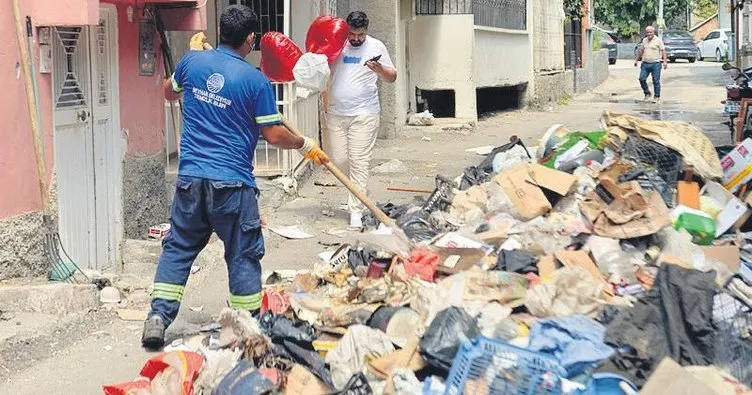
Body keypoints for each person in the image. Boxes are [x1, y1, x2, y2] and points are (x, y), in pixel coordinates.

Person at [141, 5, 329, 349]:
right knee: (242, 253)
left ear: (218, 33)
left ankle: (157, 317)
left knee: (178, 249)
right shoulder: (254, 80)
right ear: (251, 39)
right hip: (233, 185)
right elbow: (272, 135)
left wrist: (193, 65)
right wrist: (303, 144)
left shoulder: (192, 62)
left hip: (191, 180)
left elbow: (169, 92)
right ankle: (247, 328)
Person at [325, 11, 397, 229]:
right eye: (353, 34)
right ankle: (360, 191)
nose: (356, 38)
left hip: (364, 113)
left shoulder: (376, 47)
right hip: (337, 113)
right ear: (347, 30)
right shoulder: (337, 44)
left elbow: (392, 76)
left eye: (361, 34)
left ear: (367, 30)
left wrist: (380, 68)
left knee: (359, 161)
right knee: (338, 161)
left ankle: (356, 211)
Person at [634, 26, 668, 103]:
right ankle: (647, 93)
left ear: (653, 32)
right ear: (646, 33)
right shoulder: (644, 40)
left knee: (656, 80)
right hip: (645, 63)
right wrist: (636, 60)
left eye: (650, 32)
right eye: (647, 32)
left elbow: (663, 51)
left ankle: (657, 97)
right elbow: (641, 50)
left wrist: (665, 62)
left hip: (656, 63)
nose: (649, 34)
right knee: (641, 79)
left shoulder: (658, 40)